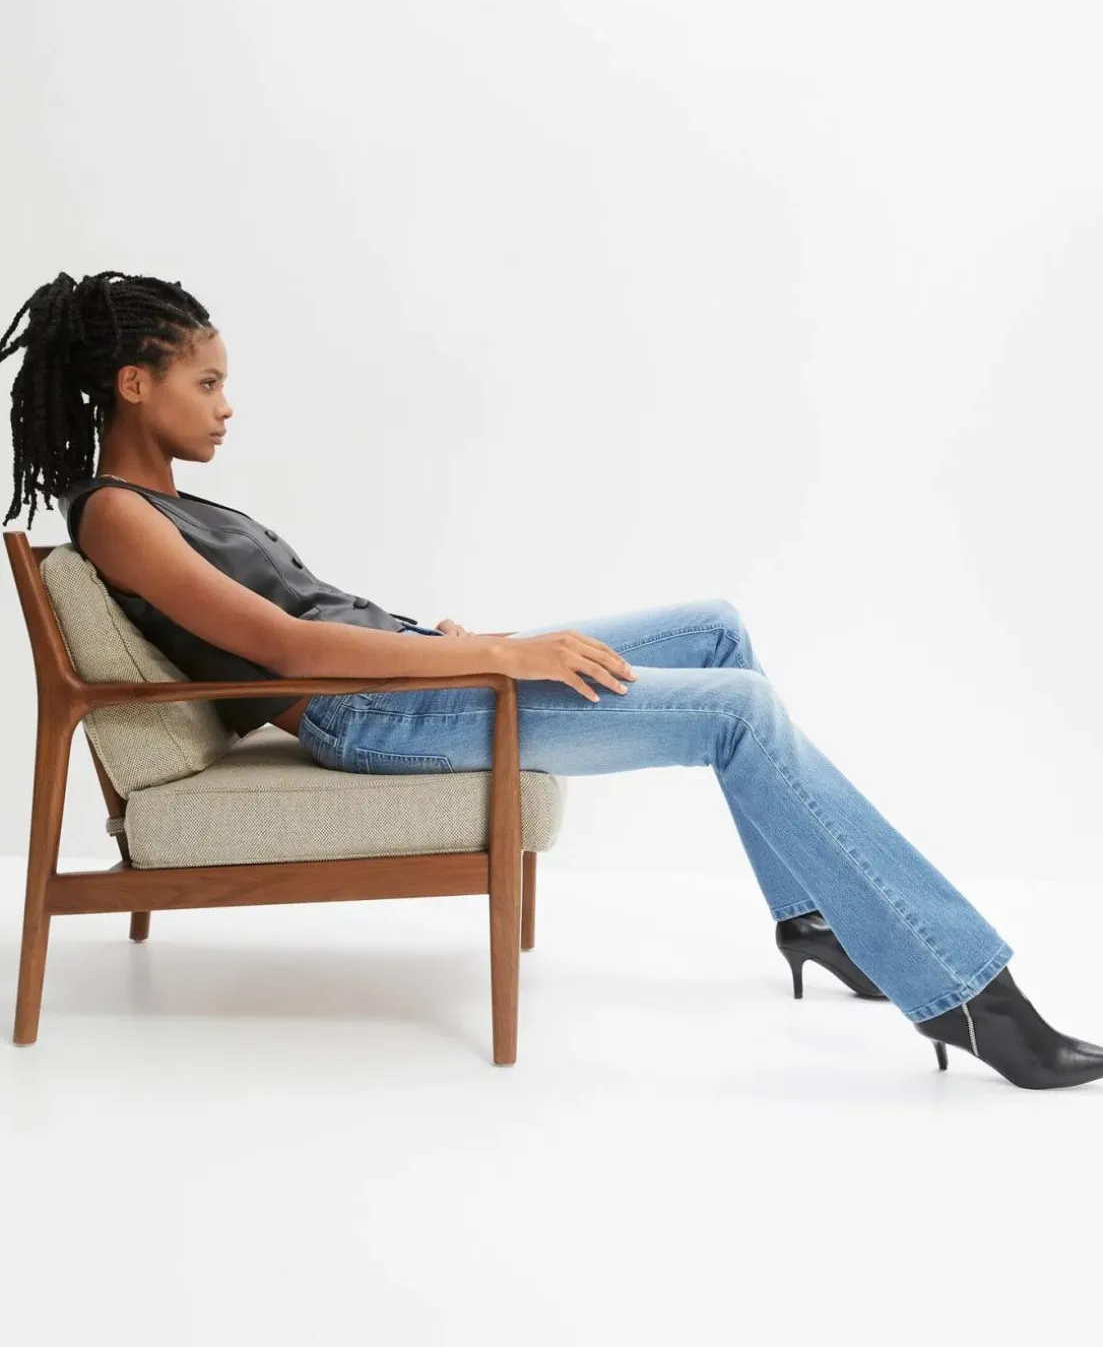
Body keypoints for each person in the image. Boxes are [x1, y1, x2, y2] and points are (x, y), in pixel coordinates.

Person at [3, 269, 1102, 1091]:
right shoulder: (117, 518)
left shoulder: (183, 506)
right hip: (369, 720)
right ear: (134, 385)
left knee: (713, 629)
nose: (227, 404)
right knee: (737, 713)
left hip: (403, 681)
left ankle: (813, 918)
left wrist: (448, 634)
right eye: (206, 382)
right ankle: (965, 994)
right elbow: (290, 652)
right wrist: (494, 654)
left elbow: (318, 613)